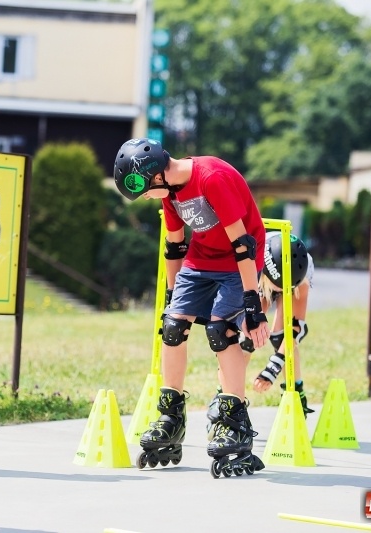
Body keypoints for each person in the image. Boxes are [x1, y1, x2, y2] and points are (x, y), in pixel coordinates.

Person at [114, 138, 269, 478]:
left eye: (144, 193)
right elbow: (175, 245)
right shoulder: (171, 193)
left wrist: (251, 302)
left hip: (236, 261)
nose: (146, 200)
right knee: (172, 326)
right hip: (200, 260)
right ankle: (171, 417)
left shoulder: (211, 178)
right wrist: (173, 298)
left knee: (220, 328)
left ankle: (234, 420)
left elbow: (242, 245)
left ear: (156, 177)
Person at [252, 231, 314, 415]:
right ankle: (227, 395)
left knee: (281, 337)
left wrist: (274, 366)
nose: (281, 291)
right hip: (263, 276)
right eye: (279, 286)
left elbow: (296, 328)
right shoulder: (254, 263)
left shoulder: (303, 273)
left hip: (283, 273)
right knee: (248, 332)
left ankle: (296, 393)